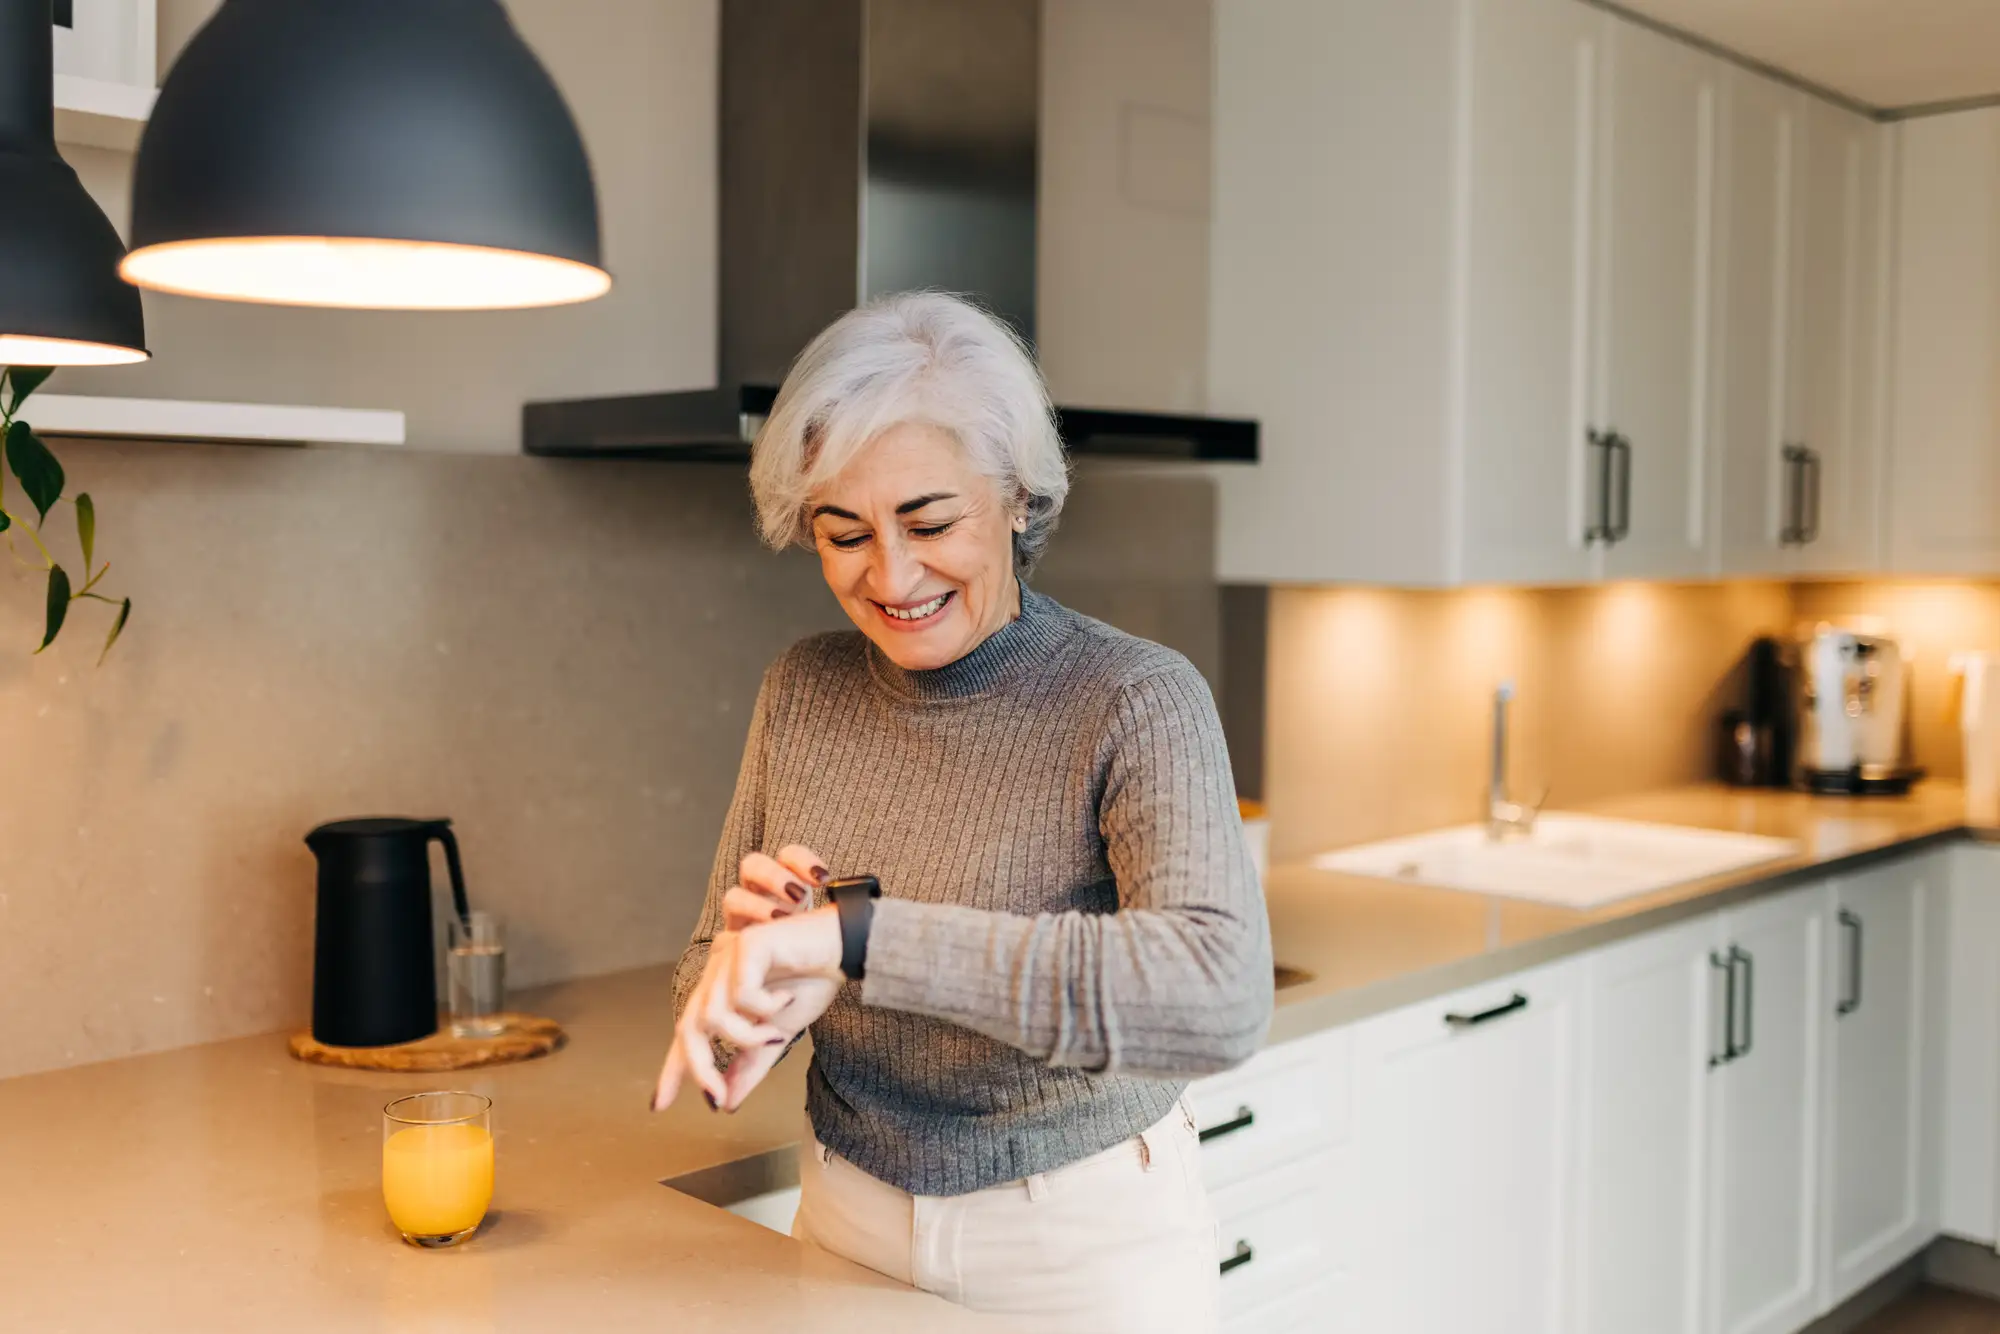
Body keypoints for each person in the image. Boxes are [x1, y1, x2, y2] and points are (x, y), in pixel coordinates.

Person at [652, 290, 1273, 1332]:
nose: (889, 575)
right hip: (845, 1219)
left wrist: (858, 939)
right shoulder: (801, 690)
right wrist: (757, 987)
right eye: (841, 533)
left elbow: (1215, 996)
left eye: (929, 521)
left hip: (1079, 1248)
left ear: (1019, 496)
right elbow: (707, 981)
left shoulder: (1130, 697)